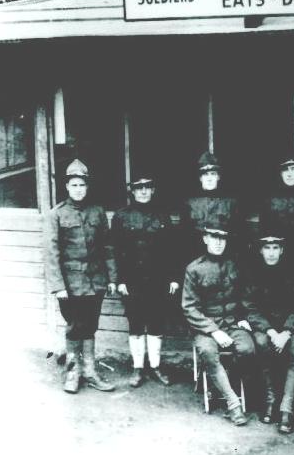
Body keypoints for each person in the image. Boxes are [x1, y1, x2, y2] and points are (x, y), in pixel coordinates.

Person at [46, 159, 117, 394]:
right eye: (74, 185)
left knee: (90, 326)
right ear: (67, 186)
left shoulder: (97, 211)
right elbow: (52, 253)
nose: (78, 189)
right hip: (71, 284)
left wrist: (112, 278)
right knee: (75, 326)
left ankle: (90, 371)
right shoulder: (57, 214)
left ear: (87, 186)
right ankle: (73, 372)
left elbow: (107, 247)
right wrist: (58, 286)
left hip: (95, 282)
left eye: (82, 185)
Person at [181, 218, 255, 426]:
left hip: (233, 323)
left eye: (223, 238)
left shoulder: (235, 264)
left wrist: (243, 317)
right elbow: (189, 307)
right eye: (214, 237)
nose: (219, 242)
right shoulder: (194, 269)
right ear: (205, 239)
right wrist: (214, 331)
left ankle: (221, 382)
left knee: (248, 349)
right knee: (207, 352)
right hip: (205, 327)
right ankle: (233, 404)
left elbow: (246, 296)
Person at [111, 174, 180, 388]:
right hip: (132, 280)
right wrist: (119, 280)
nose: (143, 192)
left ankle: (156, 366)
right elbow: (115, 250)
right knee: (136, 324)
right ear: (132, 191)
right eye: (139, 188)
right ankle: (138, 368)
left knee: (157, 322)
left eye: (147, 187)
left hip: (158, 280)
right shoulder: (121, 216)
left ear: (153, 190)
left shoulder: (162, 215)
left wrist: (174, 278)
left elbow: (172, 249)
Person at [244, 226, 294, 434]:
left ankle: (287, 407)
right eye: (267, 248)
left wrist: (286, 332)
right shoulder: (253, 273)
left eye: (275, 247)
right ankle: (270, 399)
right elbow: (250, 307)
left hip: (290, 328)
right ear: (260, 250)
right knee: (261, 343)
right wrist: (271, 331)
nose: (271, 252)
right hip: (266, 327)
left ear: (282, 250)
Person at [180, 151, 243, 263]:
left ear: (218, 177)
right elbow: (185, 235)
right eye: (205, 174)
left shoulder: (231, 202)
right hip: (195, 255)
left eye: (213, 174)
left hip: (223, 256)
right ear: (200, 178)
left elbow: (236, 233)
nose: (209, 178)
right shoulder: (189, 202)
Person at [260, 150, 294, 270]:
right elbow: (265, 230)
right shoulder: (270, 199)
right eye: (285, 169)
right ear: (281, 173)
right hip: (278, 258)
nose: (289, 174)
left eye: (293, 169)